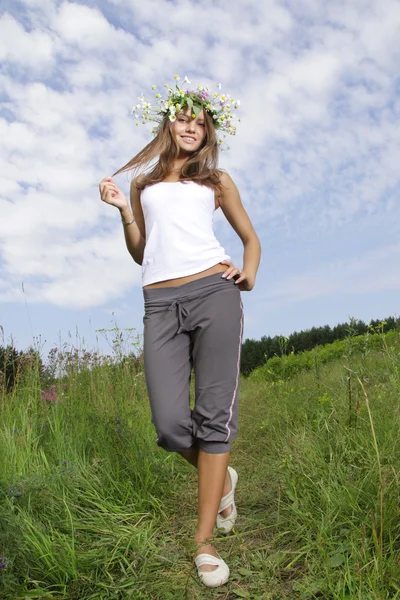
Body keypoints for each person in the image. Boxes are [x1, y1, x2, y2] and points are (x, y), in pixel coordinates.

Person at [99, 76, 261, 588]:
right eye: (182, 117)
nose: (190, 126)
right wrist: (126, 210)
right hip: (159, 302)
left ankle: (204, 541)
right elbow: (142, 252)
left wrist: (248, 272)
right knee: (170, 424)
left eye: (200, 120)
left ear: (208, 129)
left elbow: (250, 238)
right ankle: (222, 476)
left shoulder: (216, 181)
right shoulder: (144, 185)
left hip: (214, 293)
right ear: (168, 122)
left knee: (214, 417)